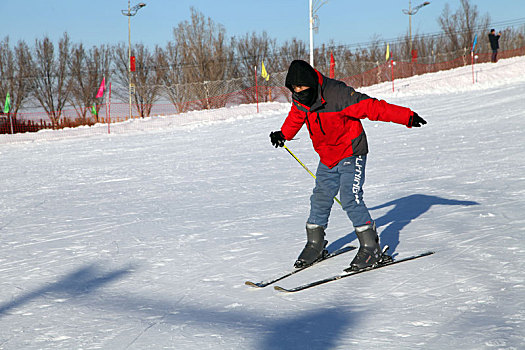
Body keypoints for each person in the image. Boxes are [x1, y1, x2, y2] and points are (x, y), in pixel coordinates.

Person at [269, 60, 427, 271]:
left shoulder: (338, 94)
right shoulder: (301, 100)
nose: (298, 92)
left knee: (350, 198)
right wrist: (283, 134)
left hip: (351, 152)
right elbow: (297, 116)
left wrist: (405, 116)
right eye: (294, 89)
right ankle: (315, 244)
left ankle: (371, 247)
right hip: (327, 156)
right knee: (320, 198)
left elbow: (372, 107)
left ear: (311, 84)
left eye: (301, 88)